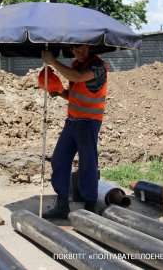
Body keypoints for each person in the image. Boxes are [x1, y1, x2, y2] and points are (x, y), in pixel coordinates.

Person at [41, 44, 108, 219]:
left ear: (89, 47)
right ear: (71, 49)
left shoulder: (97, 66)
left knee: (88, 163)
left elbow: (78, 78)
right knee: (59, 159)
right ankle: (62, 204)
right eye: (77, 50)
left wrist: (53, 62)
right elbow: (74, 93)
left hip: (89, 122)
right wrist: (58, 91)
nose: (81, 52)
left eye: (84, 49)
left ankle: (90, 206)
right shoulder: (75, 65)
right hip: (72, 121)